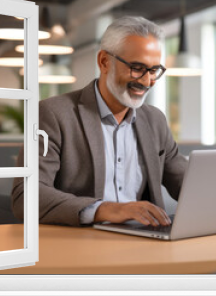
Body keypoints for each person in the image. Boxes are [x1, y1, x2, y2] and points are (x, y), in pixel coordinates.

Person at [12, 16, 188, 227]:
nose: (146, 80)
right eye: (137, 67)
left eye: (153, 70)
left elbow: (187, 184)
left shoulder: (155, 120)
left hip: (144, 243)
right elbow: (26, 196)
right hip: (80, 243)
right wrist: (107, 209)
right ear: (104, 61)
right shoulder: (52, 114)